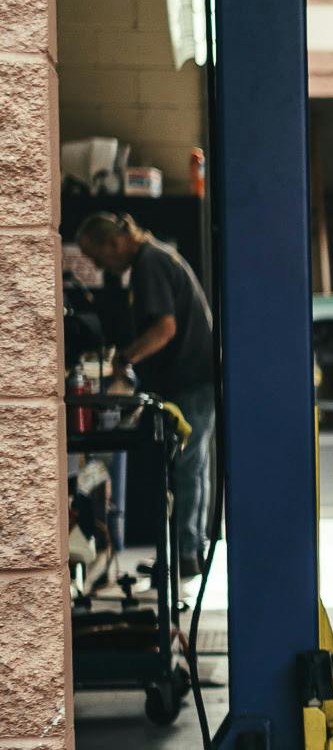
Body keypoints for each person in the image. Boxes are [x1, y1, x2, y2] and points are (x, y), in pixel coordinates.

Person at [74, 212, 217, 581]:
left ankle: (185, 553)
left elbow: (165, 328)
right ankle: (188, 550)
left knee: (186, 467)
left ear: (114, 243)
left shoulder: (149, 264)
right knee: (193, 466)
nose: (99, 267)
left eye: (97, 257)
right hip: (194, 379)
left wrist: (124, 359)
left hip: (190, 380)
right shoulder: (157, 256)